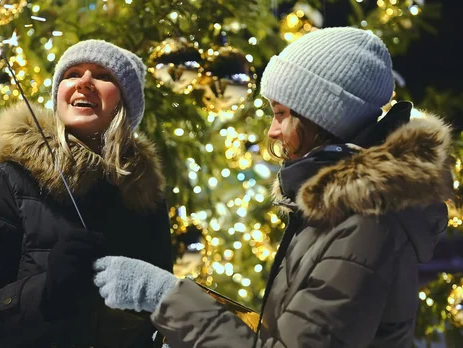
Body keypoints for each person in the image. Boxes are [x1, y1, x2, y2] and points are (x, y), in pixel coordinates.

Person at [92, 27, 454, 347]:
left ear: (321, 117)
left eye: (281, 114)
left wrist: (165, 297)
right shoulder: (344, 211)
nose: (272, 131)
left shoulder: (367, 223)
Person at [0, 39, 173, 347]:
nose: (85, 82)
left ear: (125, 105)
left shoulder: (146, 204)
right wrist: (47, 291)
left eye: (103, 76)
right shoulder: (6, 181)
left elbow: (158, 321)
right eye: (73, 73)